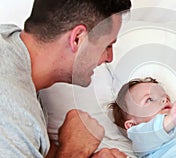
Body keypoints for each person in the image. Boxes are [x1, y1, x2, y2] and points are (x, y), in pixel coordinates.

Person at [0, 0, 131, 157]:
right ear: (77, 39)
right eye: (107, 46)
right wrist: (74, 151)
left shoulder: (9, 39)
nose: (109, 58)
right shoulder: (13, 110)